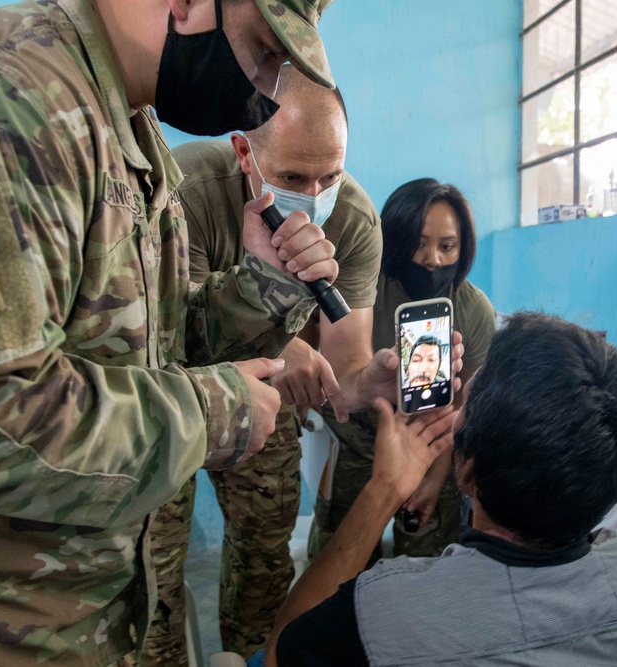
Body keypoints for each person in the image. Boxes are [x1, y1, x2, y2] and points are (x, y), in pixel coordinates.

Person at [0, 0, 340, 664]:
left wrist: (261, 284)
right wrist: (212, 411)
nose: (264, 90)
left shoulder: (123, 118)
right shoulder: (5, 99)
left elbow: (149, 345)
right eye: (263, 51)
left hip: (91, 614)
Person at [261, 312, 617, 666]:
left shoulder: (383, 611)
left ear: (466, 472)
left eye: (467, 401)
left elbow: (284, 651)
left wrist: (384, 491)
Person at [151, 63, 394, 661]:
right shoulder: (185, 189)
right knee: (153, 556)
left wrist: (373, 382)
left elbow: (345, 361)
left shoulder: (355, 221)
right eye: (291, 176)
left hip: (264, 401)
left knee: (266, 543)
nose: (313, 197)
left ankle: (252, 654)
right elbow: (167, 331)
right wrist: (284, 344)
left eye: (329, 176)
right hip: (171, 394)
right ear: (243, 151)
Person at [311, 178, 496, 564]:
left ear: (463, 249)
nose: (432, 259)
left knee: (425, 564)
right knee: (341, 560)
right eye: (419, 243)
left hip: (433, 447)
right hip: (356, 446)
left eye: (447, 246)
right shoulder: (362, 291)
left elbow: (461, 411)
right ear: (396, 239)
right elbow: (334, 377)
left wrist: (432, 478)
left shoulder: (474, 310)